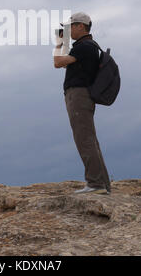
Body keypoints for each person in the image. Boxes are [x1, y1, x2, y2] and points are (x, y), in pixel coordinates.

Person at [54, 12, 111, 194]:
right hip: (82, 95)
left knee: (84, 139)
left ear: (80, 26)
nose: (68, 30)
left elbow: (57, 62)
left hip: (78, 95)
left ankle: (95, 184)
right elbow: (64, 64)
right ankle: (103, 185)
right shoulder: (87, 46)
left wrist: (60, 43)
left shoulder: (84, 46)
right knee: (90, 139)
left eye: (70, 26)